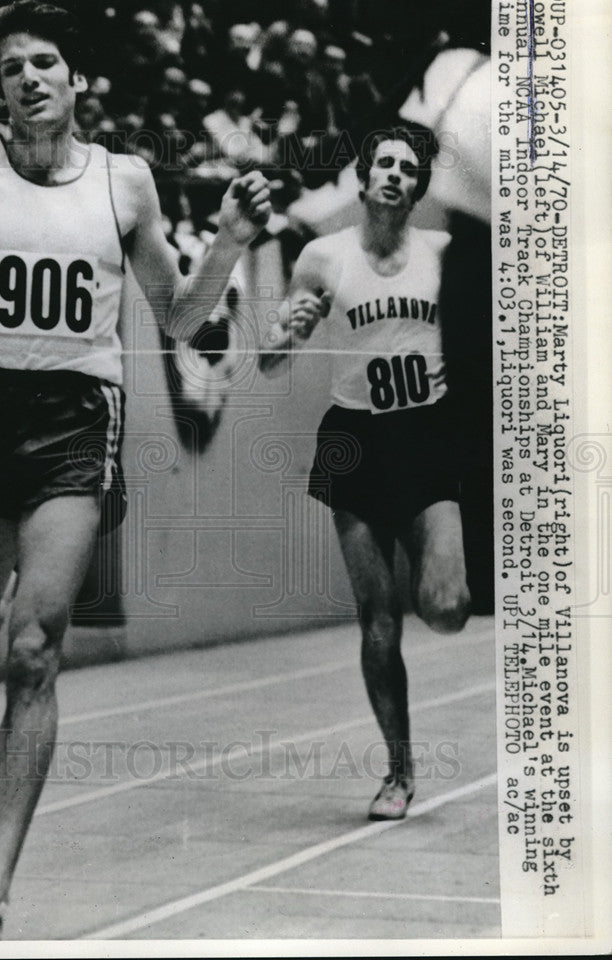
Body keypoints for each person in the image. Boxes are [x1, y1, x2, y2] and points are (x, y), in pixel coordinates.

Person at [0, 0, 270, 940]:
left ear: (78, 79)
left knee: (38, 650)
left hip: (76, 421)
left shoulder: (125, 185)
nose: (30, 79)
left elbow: (176, 317)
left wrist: (233, 244)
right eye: (13, 69)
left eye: (46, 63)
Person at [259, 123, 471, 822]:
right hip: (354, 440)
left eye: (407, 169)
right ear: (362, 177)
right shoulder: (323, 256)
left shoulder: (445, 255)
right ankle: (398, 772)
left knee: (445, 607)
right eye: (382, 163)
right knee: (378, 622)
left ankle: (437, 592)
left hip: (426, 436)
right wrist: (284, 330)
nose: (392, 175)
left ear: (418, 187)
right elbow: (270, 358)